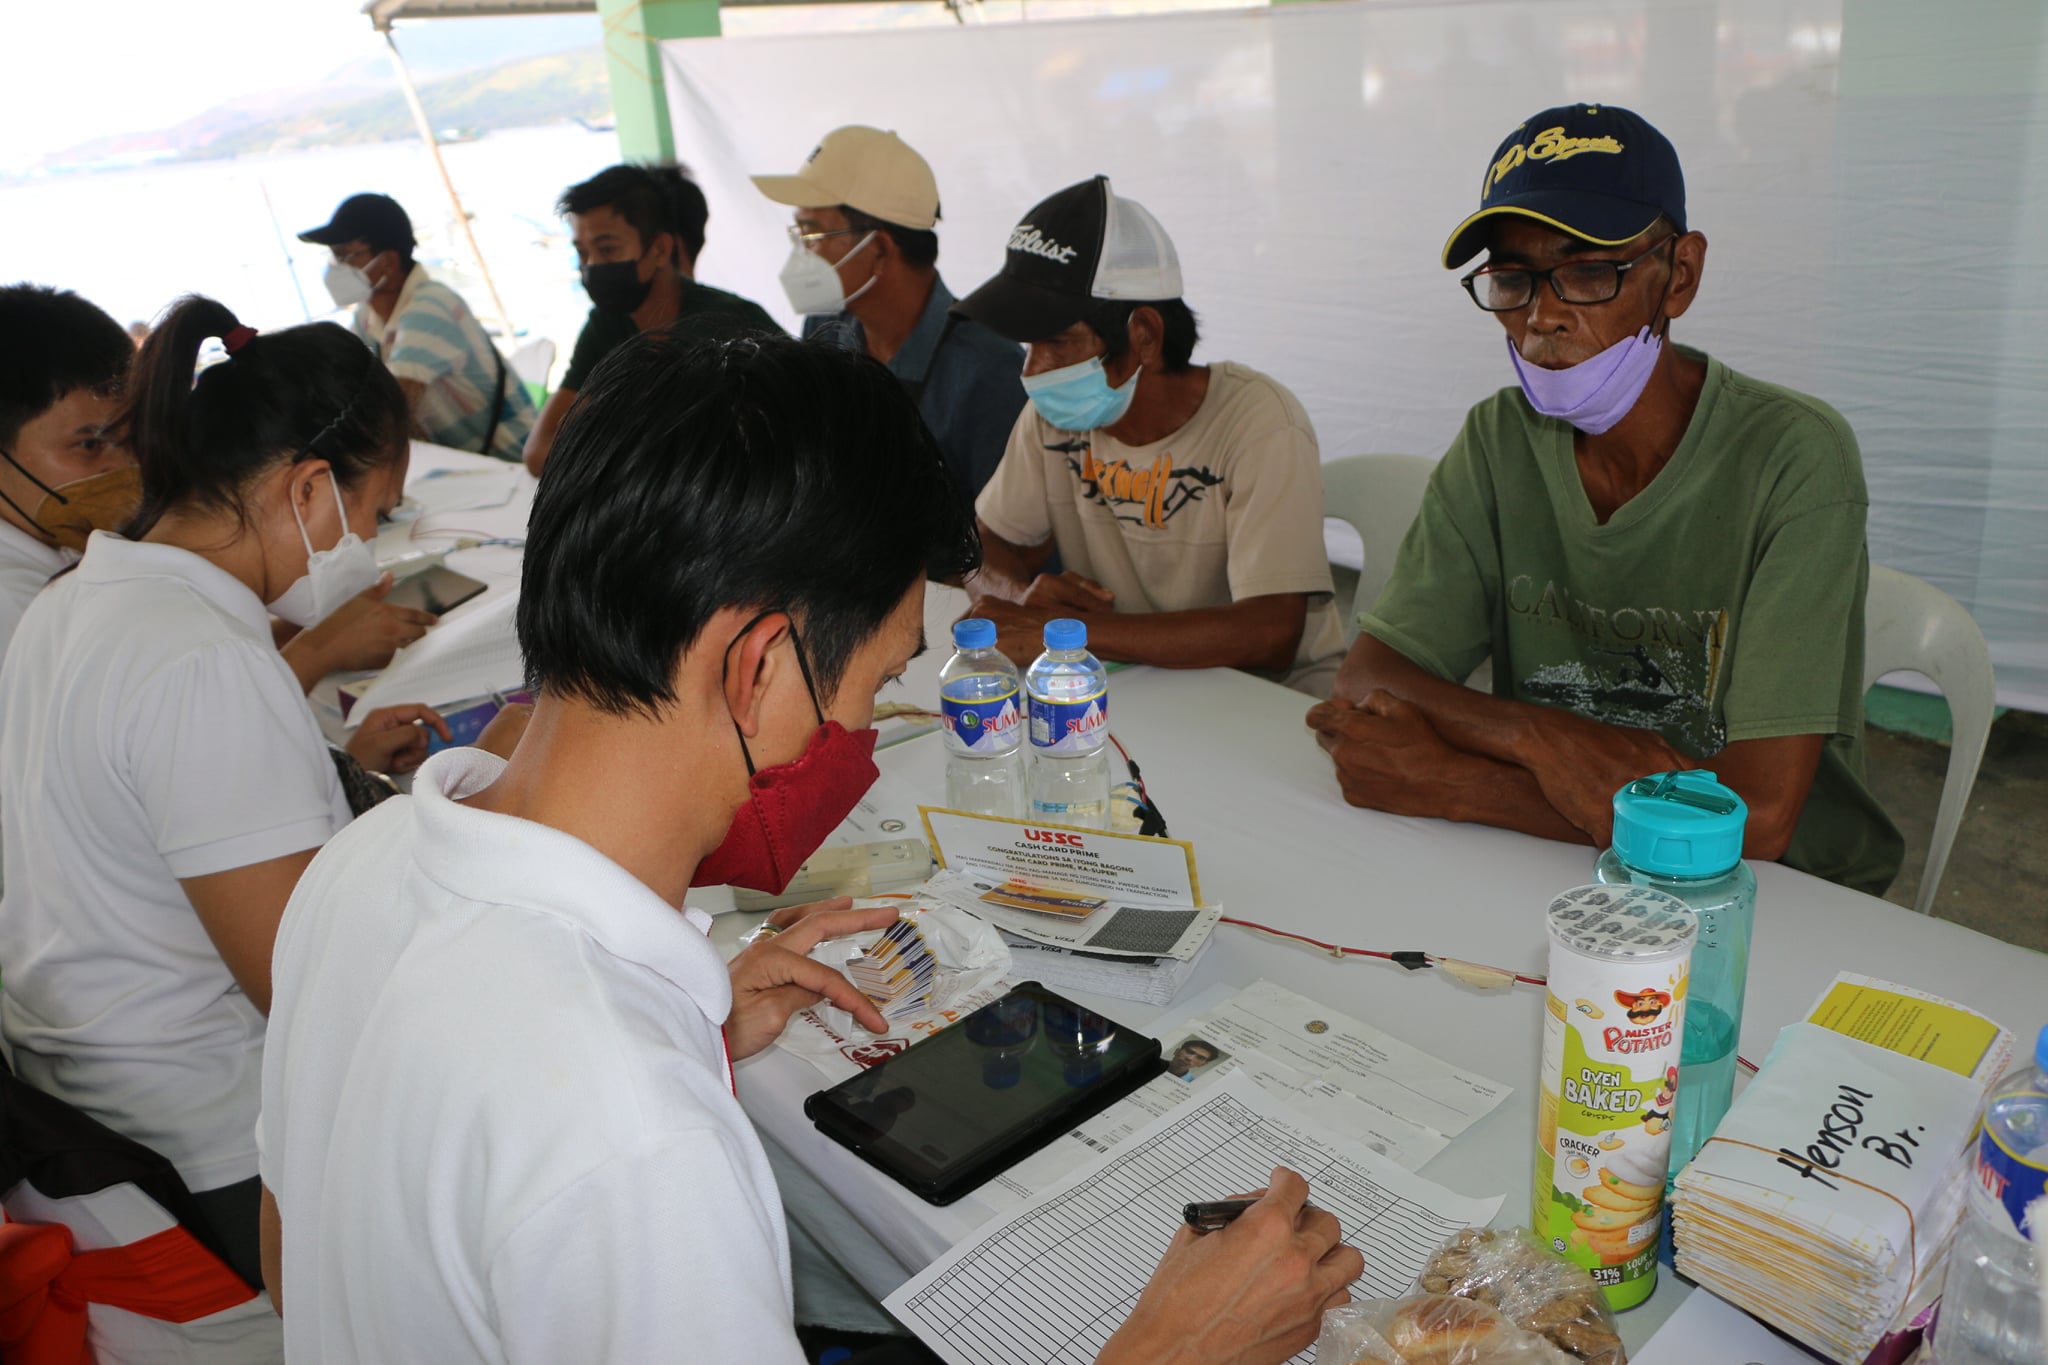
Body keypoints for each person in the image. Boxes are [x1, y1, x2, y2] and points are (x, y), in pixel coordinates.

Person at [259, 330, 1362, 1364]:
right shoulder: (636, 1141)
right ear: (756, 669)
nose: (871, 731)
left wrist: (683, 1028)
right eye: (877, 683)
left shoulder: (361, 864)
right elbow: (587, 1139)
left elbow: (294, 1226)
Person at [0, 296, 459, 1359]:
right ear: (306, 487)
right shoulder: (203, 657)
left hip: (87, 1103)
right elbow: (302, 978)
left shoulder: (77, 599)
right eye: (374, 512)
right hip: (211, 1134)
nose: (371, 546)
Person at [1308, 104, 1902, 895]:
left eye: (1590, 271)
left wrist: (1455, 781)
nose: (1541, 317)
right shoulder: (1499, 440)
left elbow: (1756, 817)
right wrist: (1542, 737)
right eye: (1512, 278)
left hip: (1775, 894)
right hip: (1560, 872)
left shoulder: (1794, 460)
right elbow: (1368, 677)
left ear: (1679, 275)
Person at [957, 176, 1346, 696]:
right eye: (1030, 343)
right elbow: (983, 542)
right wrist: (1018, 595)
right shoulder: (1054, 417)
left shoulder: (1260, 423)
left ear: (1144, 335)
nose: (1034, 368)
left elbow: (1271, 632)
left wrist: (1065, 634)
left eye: (1057, 340)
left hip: (1270, 704)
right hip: (1137, 685)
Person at [754, 125, 1026, 506]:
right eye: (797, 235)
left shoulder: (989, 370)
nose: (801, 254)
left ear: (879, 248)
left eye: (811, 236)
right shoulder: (825, 331)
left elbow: (1007, 545)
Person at [523, 163, 783, 475]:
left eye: (607, 249)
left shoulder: (730, 324)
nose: (592, 265)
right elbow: (539, 451)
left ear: (660, 249)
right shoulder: (607, 325)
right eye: (582, 252)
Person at [299, 192, 536, 462]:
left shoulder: (431, 306)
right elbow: (344, 385)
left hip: (518, 468)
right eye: (333, 257)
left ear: (387, 260)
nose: (335, 269)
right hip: (466, 467)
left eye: (345, 256)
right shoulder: (368, 316)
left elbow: (390, 411)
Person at [0, 285, 137, 664]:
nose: (125, 468)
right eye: (90, 445)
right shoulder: (16, 604)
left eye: (134, 439)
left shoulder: (66, 547)